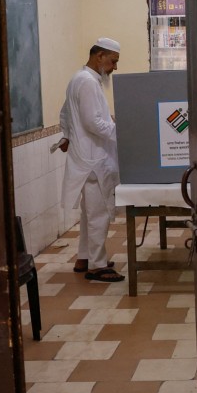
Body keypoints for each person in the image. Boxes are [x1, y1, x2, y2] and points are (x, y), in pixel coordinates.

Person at [58, 37, 125, 282]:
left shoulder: (79, 78)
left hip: (85, 157)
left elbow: (65, 113)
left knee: (90, 214)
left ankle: (84, 258)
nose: (115, 68)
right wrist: (122, 133)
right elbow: (93, 122)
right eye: (113, 62)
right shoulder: (87, 82)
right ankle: (97, 266)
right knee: (98, 214)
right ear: (100, 56)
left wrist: (67, 136)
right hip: (93, 160)